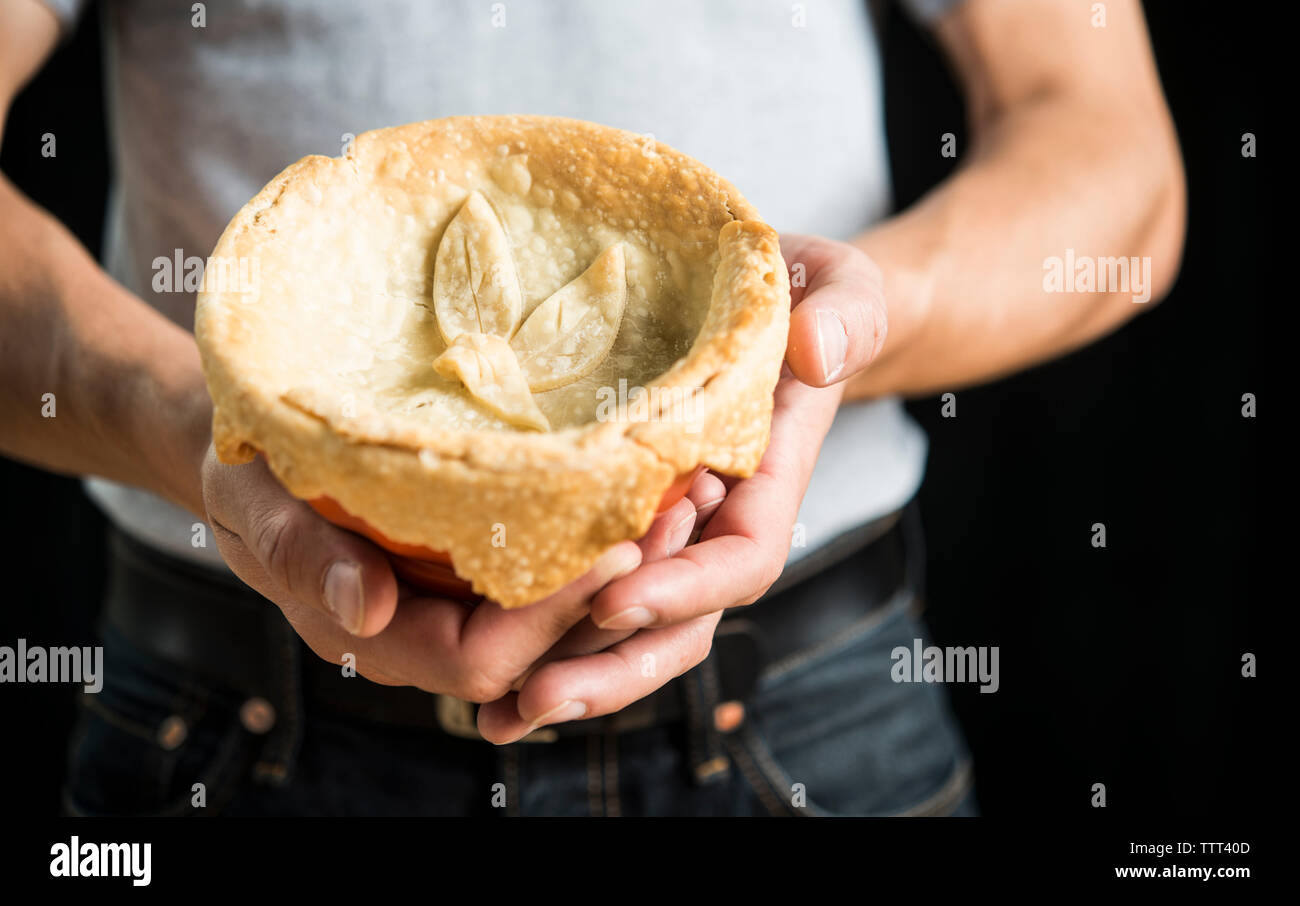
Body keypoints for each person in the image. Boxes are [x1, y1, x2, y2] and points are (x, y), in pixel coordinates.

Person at [0, 0, 1184, 816]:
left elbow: (1108, 153)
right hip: (228, 717)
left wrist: (814, 342)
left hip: (807, 704)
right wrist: (192, 420)